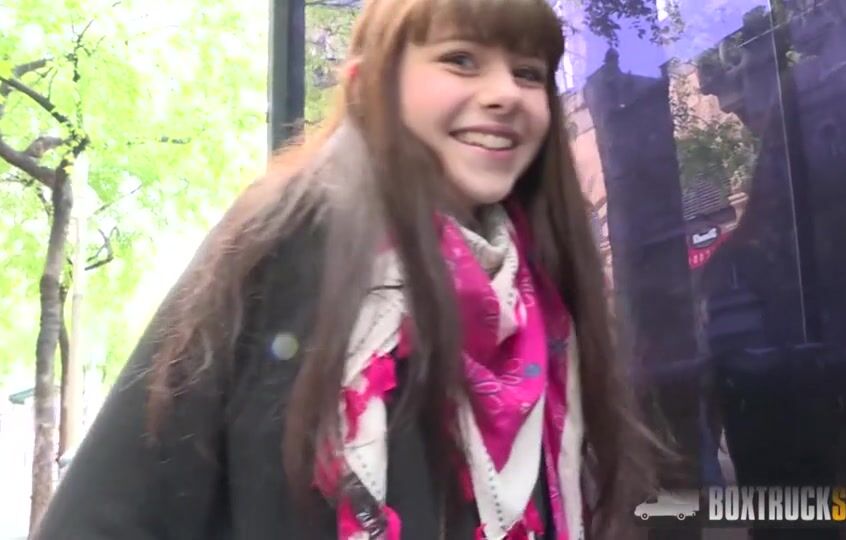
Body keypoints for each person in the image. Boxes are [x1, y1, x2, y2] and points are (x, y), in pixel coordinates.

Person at [33, 0, 658, 538]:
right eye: (461, 60)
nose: (505, 94)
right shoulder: (294, 236)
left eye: (528, 73)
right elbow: (115, 503)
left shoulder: (543, 298)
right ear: (371, 83)